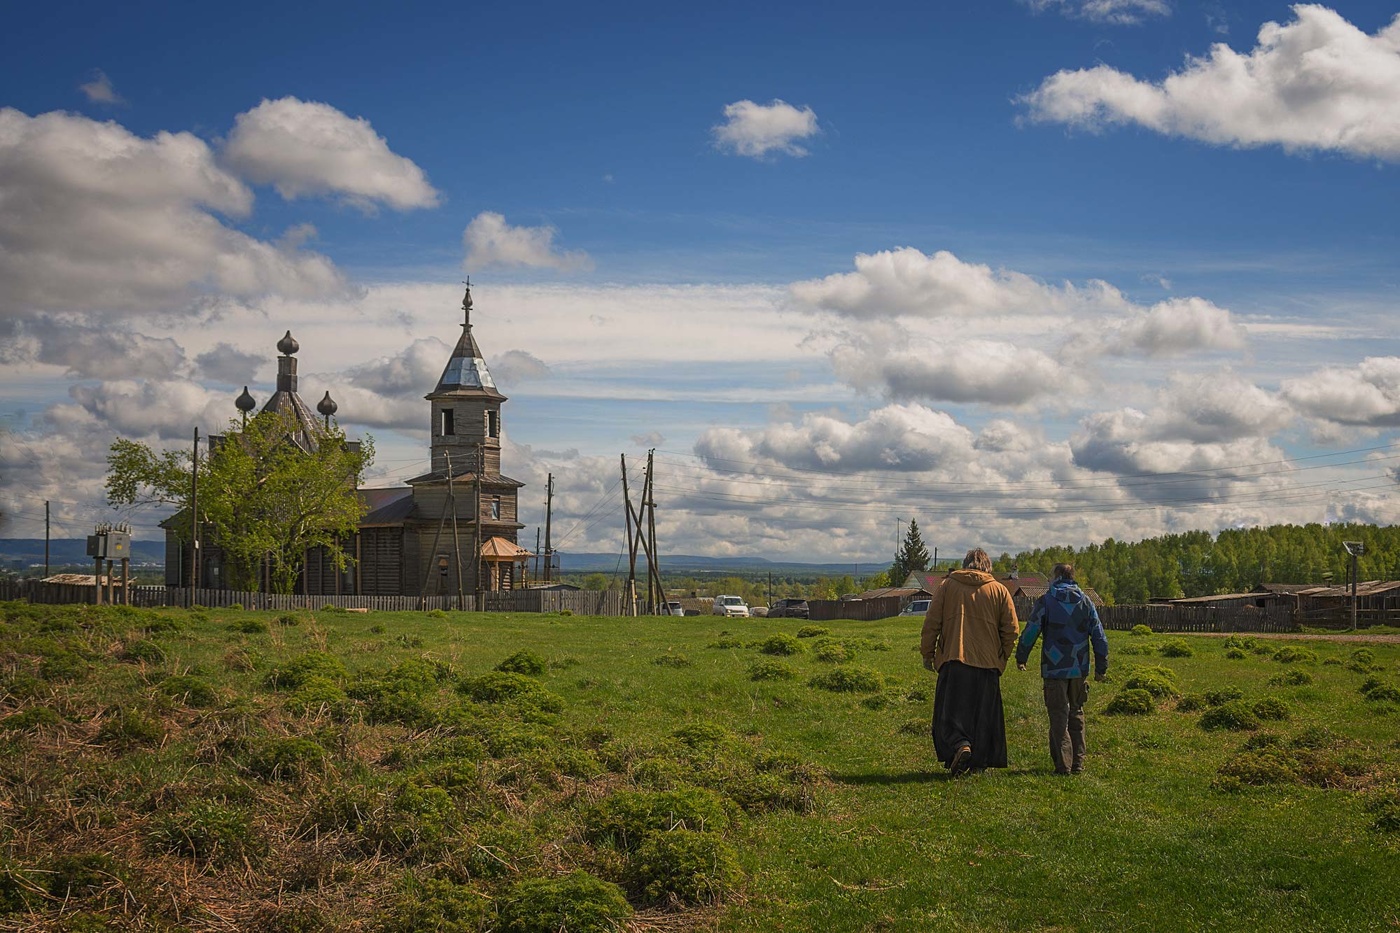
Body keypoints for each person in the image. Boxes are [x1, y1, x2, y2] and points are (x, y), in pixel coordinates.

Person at [921, 548, 1019, 776]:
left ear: (965, 564)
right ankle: (978, 761)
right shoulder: (999, 590)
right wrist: (1001, 658)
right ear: (988, 566)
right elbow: (1012, 630)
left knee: (951, 714)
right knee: (984, 716)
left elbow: (931, 623)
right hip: (988, 664)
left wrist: (928, 654)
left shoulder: (947, 586)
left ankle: (960, 746)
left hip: (954, 659)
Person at [1015, 562, 1109, 775]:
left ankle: (1063, 765)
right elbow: (1099, 636)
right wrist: (1101, 667)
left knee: (1058, 715)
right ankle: (1077, 763)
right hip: (1079, 668)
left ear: (1057, 576)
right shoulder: (1086, 602)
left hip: (1054, 668)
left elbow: (1031, 631)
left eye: (1050, 576)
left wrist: (1021, 656)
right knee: (1076, 713)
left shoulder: (1046, 601)